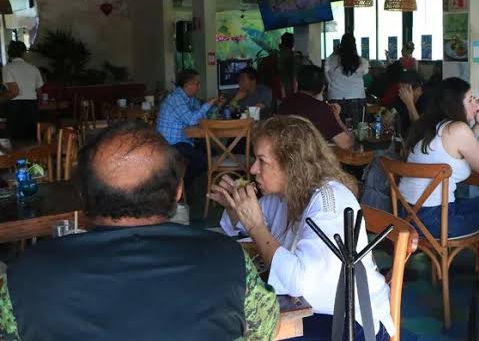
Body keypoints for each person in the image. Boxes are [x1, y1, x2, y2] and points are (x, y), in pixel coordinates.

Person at [0, 121, 278, 340]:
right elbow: (264, 328)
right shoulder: (228, 259)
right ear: (178, 192)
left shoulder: (24, 275)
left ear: (82, 195)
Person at [209, 116, 393, 340]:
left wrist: (257, 227)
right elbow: (243, 226)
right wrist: (234, 208)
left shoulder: (329, 203)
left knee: (239, 329)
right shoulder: (283, 195)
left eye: (262, 160)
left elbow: (298, 284)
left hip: (351, 321)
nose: (253, 168)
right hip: (311, 308)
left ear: (291, 163)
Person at [399, 77, 479, 238]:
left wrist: (478, 125)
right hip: (435, 222)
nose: (476, 105)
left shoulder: (431, 125)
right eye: (470, 100)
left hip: (408, 216)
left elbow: (458, 149)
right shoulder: (457, 129)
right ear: (455, 104)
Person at [156, 69, 223, 187]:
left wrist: (216, 106)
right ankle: (179, 187)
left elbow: (202, 114)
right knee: (201, 159)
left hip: (185, 140)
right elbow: (192, 120)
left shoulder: (190, 99)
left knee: (213, 154)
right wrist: (208, 104)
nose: (199, 87)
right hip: (170, 144)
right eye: (197, 83)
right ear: (188, 84)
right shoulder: (176, 99)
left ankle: (193, 184)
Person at [279, 65, 354, 150]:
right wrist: (336, 117)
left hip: (287, 154)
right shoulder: (321, 109)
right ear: (322, 86)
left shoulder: (285, 103)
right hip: (309, 156)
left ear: (297, 83)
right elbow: (346, 144)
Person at [2, 41, 43, 140]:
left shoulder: (7, 68)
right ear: (24, 53)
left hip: (15, 107)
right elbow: (39, 92)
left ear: (9, 53)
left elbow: (14, 92)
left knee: (16, 140)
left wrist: (1, 99)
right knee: (32, 139)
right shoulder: (34, 68)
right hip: (32, 106)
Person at [325, 33, 369, 126]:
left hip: (335, 98)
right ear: (355, 45)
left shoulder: (330, 60)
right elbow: (365, 72)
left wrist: (334, 52)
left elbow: (326, 77)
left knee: (336, 129)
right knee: (358, 128)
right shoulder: (362, 62)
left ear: (340, 45)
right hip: (357, 97)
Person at [391, 69, 424, 137]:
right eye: (400, 89)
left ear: (418, 90)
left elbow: (420, 129)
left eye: (405, 90)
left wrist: (409, 104)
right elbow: (391, 113)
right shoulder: (399, 99)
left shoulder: (428, 102)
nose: (401, 93)